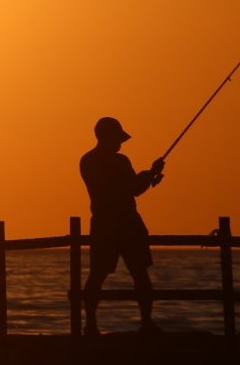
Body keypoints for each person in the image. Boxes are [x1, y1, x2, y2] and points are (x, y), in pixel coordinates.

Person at [80, 116, 165, 337]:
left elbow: (127, 187)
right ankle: (146, 323)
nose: (121, 142)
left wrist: (147, 176)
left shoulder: (86, 161)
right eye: (117, 138)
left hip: (103, 224)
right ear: (107, 137)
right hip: (126, 223)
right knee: (139, 275)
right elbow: (131, 189)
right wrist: (149, 174)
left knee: (97, 275)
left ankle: (90, 325)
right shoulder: (119, 162)